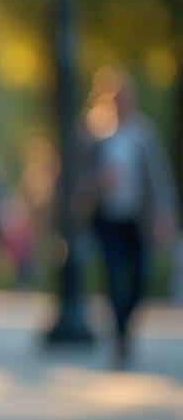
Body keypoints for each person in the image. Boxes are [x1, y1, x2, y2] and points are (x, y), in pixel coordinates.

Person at [84, 70, 178, 368]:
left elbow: (159, 179)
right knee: (113, 275)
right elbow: (79, 179)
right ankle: (119, 333)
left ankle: (126, 325)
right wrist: (98, 181)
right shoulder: (96, 137)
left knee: (139, 277)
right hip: (108, 219)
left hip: (136, 219)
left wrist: (164, 214)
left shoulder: (143, 135)